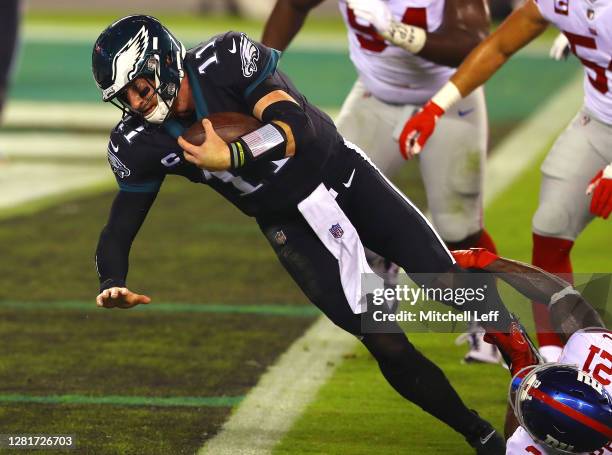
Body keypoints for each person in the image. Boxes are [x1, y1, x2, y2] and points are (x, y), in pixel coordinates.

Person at [91, 15, 539, 453]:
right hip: (288, 223)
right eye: (123, 97)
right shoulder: (136, 141)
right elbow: (121, 223)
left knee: (445, 279)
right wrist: (112, 280)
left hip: (341, 176)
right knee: (383, 339)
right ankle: (480, 436)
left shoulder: (224, 59)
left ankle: (527, 360)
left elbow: (295, 125)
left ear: (163, 63)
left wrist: (233, 155)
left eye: (139, 87)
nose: (135, 102)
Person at [261, 0, 501, 364]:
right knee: (337, 204)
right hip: (376, 94)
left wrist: (398, 31)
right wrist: (264, 67)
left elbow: (472, 46)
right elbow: (294, 5)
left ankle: (488, 320)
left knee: (459, 227)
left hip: (450, 100)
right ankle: (379, 299)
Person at [399, 0, 612, 363]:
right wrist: (438, 106)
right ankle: (555, 357)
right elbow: (499, 45)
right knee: (551, 225)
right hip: (600, 119)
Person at [453, 248, 612, 453]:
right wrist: (489, 262)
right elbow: (562, 295)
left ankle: (522, 362)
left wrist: (521, 369)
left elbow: (559, 294)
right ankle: (523, 365)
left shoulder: (593, 349)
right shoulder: (595, 347)